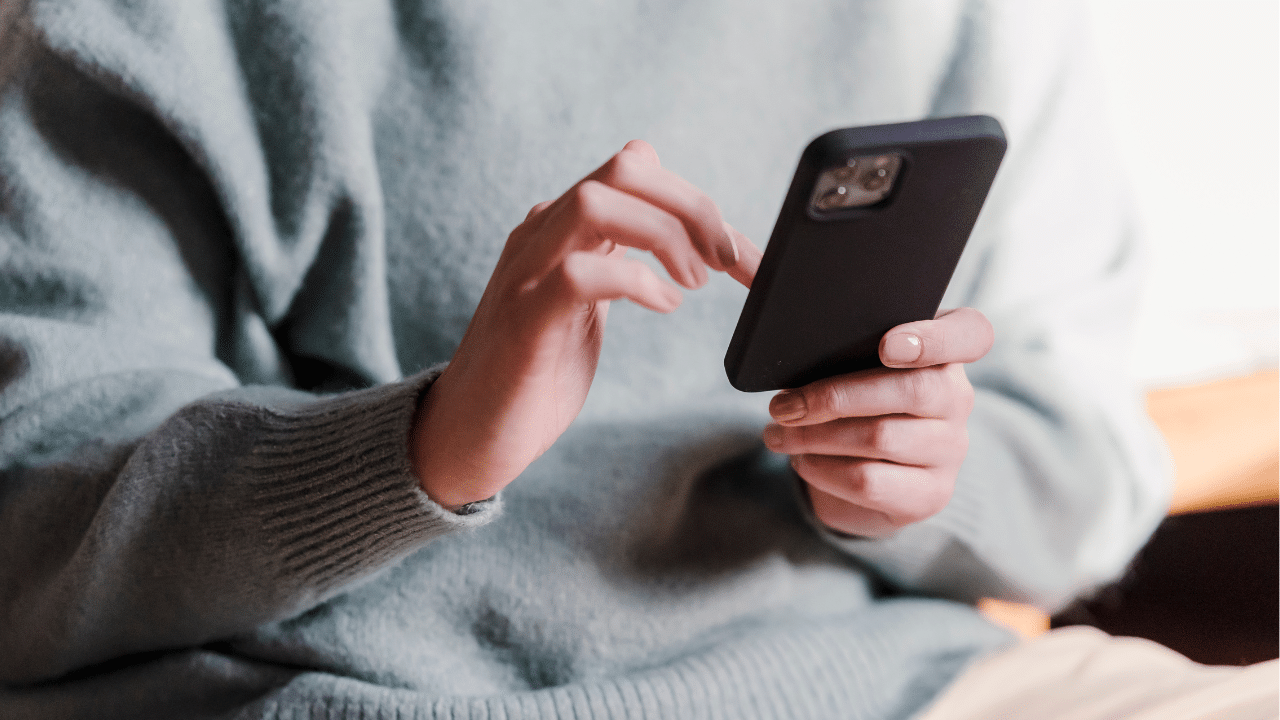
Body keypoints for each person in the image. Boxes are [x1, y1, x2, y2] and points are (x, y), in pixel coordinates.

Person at [0, 0, 1240, 717]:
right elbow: (23, 522)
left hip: (893, 687)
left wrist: (923, 477)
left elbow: (1084, 469)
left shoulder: (971, 20)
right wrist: (423, 448)